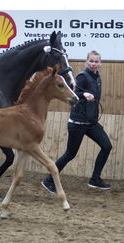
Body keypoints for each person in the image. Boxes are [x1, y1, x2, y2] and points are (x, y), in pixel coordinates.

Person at [41, 50, 112, 193]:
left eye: (96, 61)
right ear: (86, 62)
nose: (93, 64)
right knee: (70, 154)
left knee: (107, 146)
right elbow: (73, 93)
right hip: (78, 123)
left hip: (91, 123)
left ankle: (95, 179)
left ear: (100, 63)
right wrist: (83, 94)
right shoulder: (82, 76)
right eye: (91, 61)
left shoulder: (97, 77)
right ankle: (49, 180)